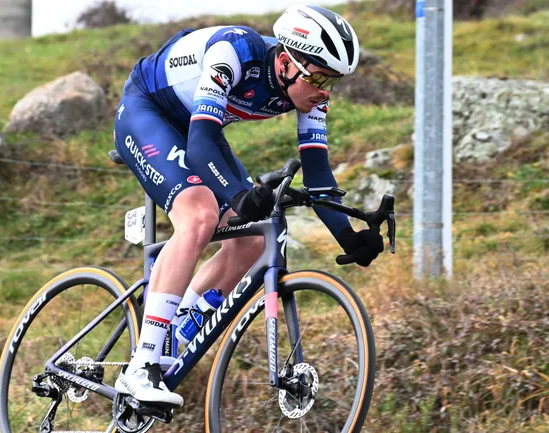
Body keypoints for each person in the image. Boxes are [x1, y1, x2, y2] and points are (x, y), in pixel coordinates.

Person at [113, 4, 384, 408]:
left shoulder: (311, 96)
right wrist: (239, 196)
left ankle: (175, 332)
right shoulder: (235, 53)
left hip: (199, 126)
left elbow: (318, 175)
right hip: (149, 111)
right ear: (288, 62)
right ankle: (142, 366)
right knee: (200, 215)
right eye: (319, 77)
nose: (324, 90)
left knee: (252, 241)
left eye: (333, 81)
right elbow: (201, 144)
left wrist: (349, 236)